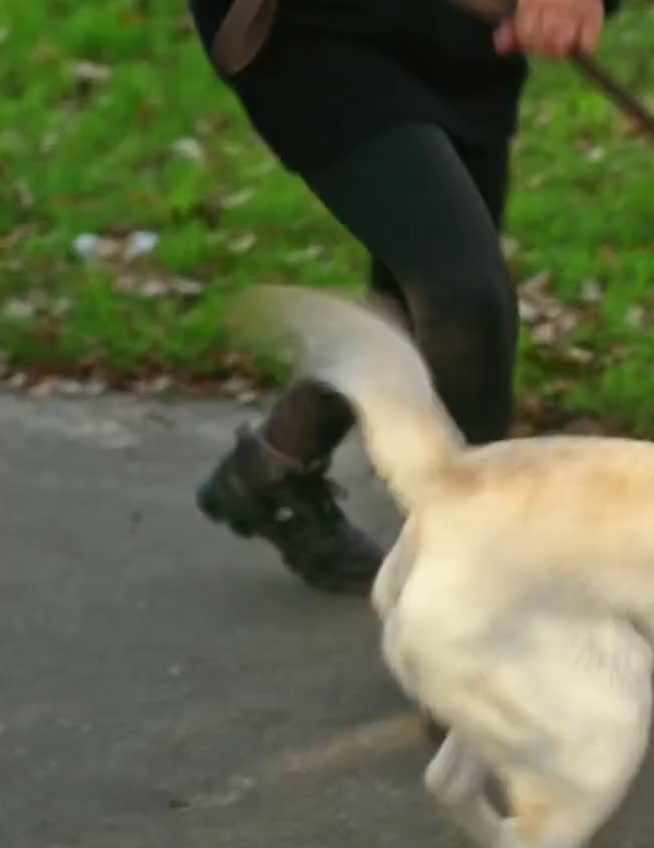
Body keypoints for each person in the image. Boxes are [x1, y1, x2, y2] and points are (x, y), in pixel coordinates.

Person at [185, 0, 616, 594]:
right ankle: (485, 580)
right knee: (463, 298)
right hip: (315, 32)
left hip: (461, 39)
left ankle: (274, 464)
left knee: (418, 303)